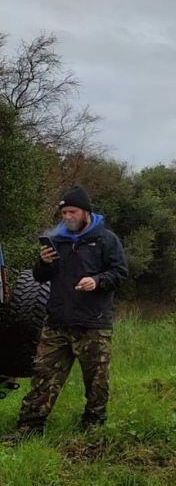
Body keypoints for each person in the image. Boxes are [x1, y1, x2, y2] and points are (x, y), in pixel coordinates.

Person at [14, 187, 129, 436]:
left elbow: (120, 273)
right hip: (57, 321)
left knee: (96, 381)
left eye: (72, 211)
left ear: (85, 211)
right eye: (64, 212)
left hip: (93, 323)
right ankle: (29, 428)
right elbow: (40, 277)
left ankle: (93, 427)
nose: (67, 217)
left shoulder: (106, 240)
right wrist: (43, 262)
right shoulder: (58, 240)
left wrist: (97, 281)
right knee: (43, 377)